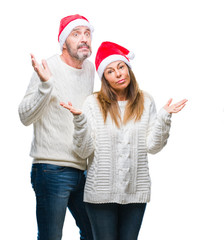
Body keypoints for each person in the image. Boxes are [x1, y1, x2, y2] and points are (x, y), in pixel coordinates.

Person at [61, 41, 187, 240]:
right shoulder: (92, 103)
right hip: (100, 195)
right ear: (105, 78)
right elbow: (83, 151)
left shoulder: (146, 101)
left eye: (121, 67)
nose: (118, 74)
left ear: (128, 69)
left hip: (135, 192)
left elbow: (152, 146)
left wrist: (164, 117)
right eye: (110, 71)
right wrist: (80, 121)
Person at [18, 14, 95, 240]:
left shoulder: (90, 69)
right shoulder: (47, 67)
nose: (84, 39)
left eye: (87, 34)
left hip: (83, 170)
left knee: (95, 233)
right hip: (51, 169)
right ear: (63, 41)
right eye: (76, 34)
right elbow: (24, 116)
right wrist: (46, 85)